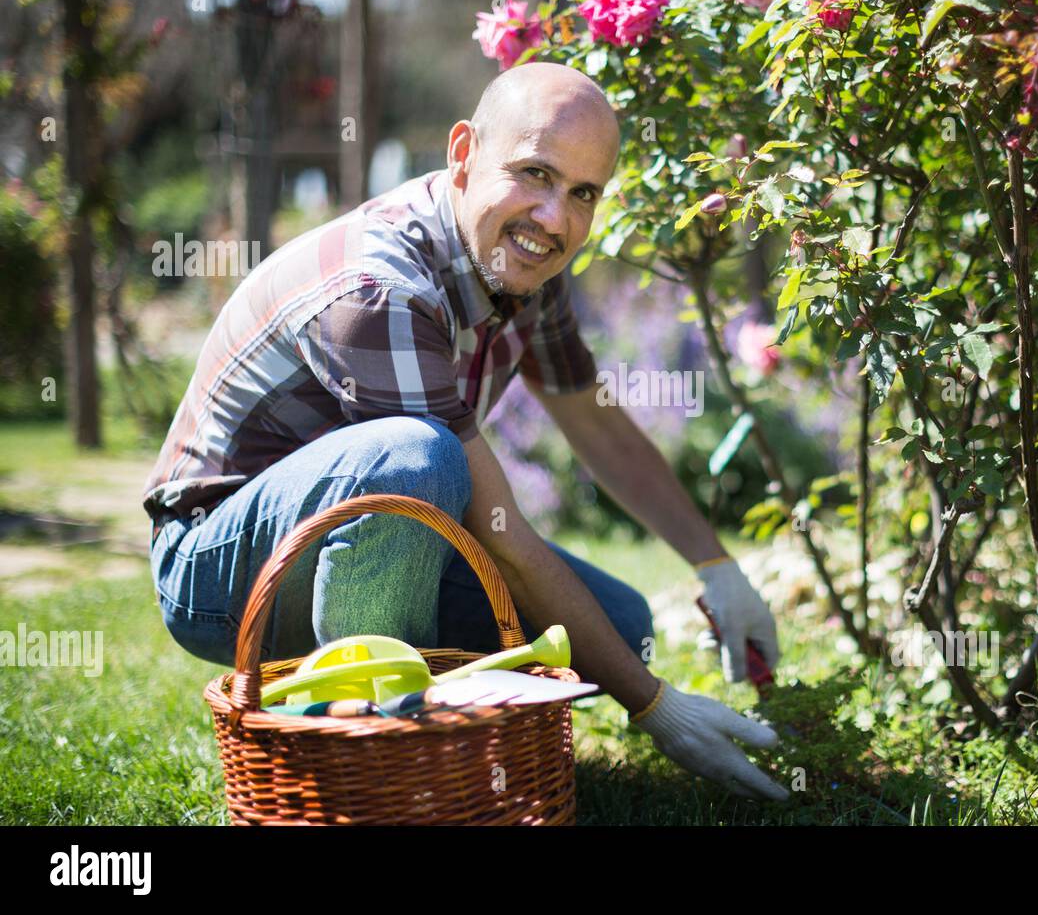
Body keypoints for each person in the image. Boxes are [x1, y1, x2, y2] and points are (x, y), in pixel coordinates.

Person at [142, 62, 788, 802]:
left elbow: (595, 424)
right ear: (462, 153)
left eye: (583, 193)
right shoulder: (379, 287)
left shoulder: (525, 269)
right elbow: (499, 533)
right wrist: (655, 707)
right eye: (534, 173)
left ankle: (430, 730)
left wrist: (717, 568)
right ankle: (374, 758)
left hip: (368, 536)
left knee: (621, 622)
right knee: (417, 459)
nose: (553, 217)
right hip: (218, 568)